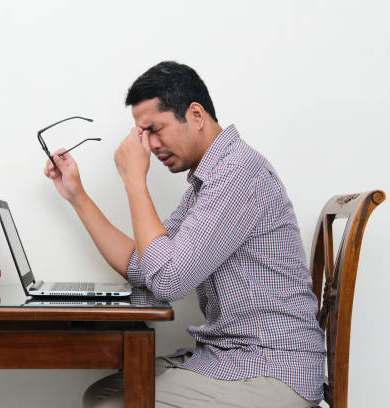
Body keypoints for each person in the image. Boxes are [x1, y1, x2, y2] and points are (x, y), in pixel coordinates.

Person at [43, 61, 325, 408]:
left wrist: (134, 180)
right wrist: (77, 195)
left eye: (155, 129)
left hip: (271, 370)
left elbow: (168, 281)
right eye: (142, 135)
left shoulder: (237, 174)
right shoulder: (207, 182)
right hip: (232, 359)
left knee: (111, 404)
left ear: (195, 115)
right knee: (103, 394)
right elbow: (145, 266)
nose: (149, 145)